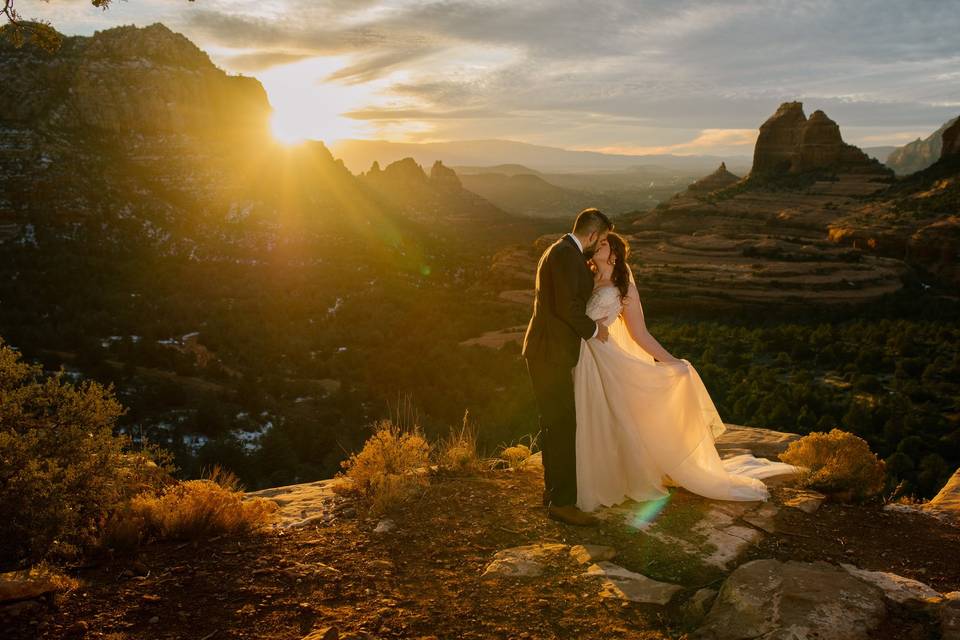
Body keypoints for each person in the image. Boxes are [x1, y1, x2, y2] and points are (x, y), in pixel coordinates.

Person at [573, 232, 798, 513]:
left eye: (604, 243)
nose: (597, 246)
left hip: (606, 359)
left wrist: (670, 362)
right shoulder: (587, 278)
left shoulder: (623, 287)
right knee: (593, 415)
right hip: (583, 355)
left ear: (615, 254)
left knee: (616, 415)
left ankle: (614, 478)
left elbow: (640, 333)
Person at [522, 208, 613, 526]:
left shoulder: (562, 250)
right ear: (591, 234)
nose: (600, 244)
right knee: (561, 425)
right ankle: (562, 502)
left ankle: (553, 494)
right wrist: (594, 329)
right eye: (600, 239)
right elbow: (567, 307)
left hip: (548, 351)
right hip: (549, 353)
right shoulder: (564, 255)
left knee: (554, 424)